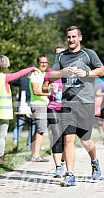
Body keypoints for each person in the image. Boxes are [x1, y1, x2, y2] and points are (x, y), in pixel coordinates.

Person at [50, 25, 104, 186]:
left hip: (86, 102)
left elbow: (101, 71)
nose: (71, 40)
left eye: (74, 37)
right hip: (68, 103)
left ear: (80, 37)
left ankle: (94, 161)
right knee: (68, 139)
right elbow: (51, 75)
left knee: (86, 140)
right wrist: (63, 72)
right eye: (69, 37)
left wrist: (86, 73)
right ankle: (70, 174)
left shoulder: (89, 54)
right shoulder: (61, 57)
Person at [0, 55, 37, 163]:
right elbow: (19, 74)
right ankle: (0, 156)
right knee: (2, 135)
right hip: (3, 112)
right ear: (5, 65)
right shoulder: (5, 77)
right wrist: (31, 68)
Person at [43, 45, 66, 177]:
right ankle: (58, 167)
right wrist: (49, 90)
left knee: (65, 137)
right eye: (57, 54)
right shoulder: (50, 71)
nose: (59, 56)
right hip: (52, 106)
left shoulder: (70, 71)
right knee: (56, 134)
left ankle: (63, 162)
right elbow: (43, 88)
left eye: (61, 54)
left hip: (67, 107)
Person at [29, 54, 51, 162]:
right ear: (38, 63)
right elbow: (35, 91)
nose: (44, 64)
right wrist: (49, 94)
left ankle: (34, 153)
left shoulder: (43, 74)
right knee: (41, 130)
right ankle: (36, 155)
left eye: (46, 62)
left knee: (39, 129)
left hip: (42, 104)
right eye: (42, 62)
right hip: (38, 104)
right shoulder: (36, 74)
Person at [11, 76, 36, 151]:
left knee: (19, 125)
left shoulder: (22, 79)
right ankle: (28, 146)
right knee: (32, 126)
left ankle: (15, 141)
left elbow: (13, 83)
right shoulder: (36, 79)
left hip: (22, 104)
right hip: (31, 104)